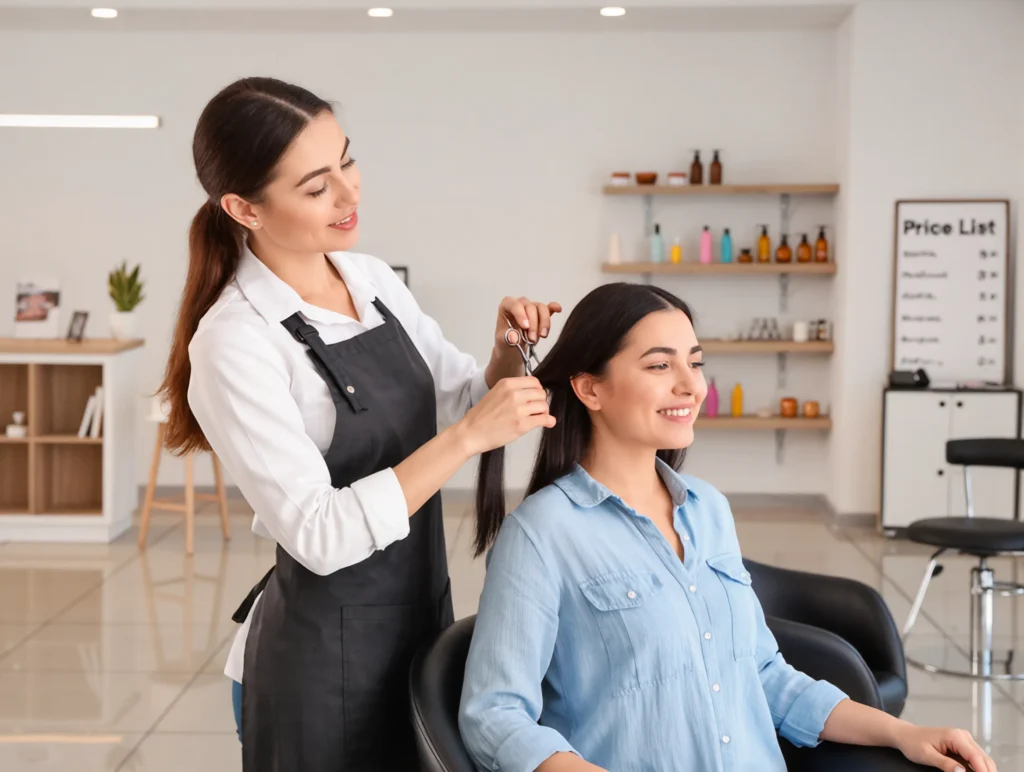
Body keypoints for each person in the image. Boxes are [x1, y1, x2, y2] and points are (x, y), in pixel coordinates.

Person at [158, 76, 560, 772]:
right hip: (315, 667)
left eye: (347, 160)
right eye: (316, 188)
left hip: (413, 624)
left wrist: (503, 357)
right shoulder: (235, 340)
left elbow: (461, 398)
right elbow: (318, 533)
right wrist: (467, 440)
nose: (350, 194)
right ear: (244, 208)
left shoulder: (371, 278)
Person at [459, 282, 996, 772]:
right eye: (659, 366)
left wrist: (905, 734)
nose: (691, 386)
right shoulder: (542, 534)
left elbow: (763, 674)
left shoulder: (708, 510)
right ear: (589, 389)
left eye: (695, 363)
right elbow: (494, 715)